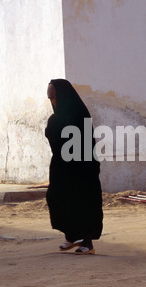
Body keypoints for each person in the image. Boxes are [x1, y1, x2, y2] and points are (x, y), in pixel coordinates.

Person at [45, 79, 103, 255]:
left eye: (54, 97)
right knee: (57, 197)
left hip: (81, 168)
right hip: (63, 167)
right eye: (50, 98)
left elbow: (80, 143)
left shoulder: (78, 114)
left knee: (83, 202)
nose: (53, 102)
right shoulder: (58, 116)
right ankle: (72, 236)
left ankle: (88, 242)